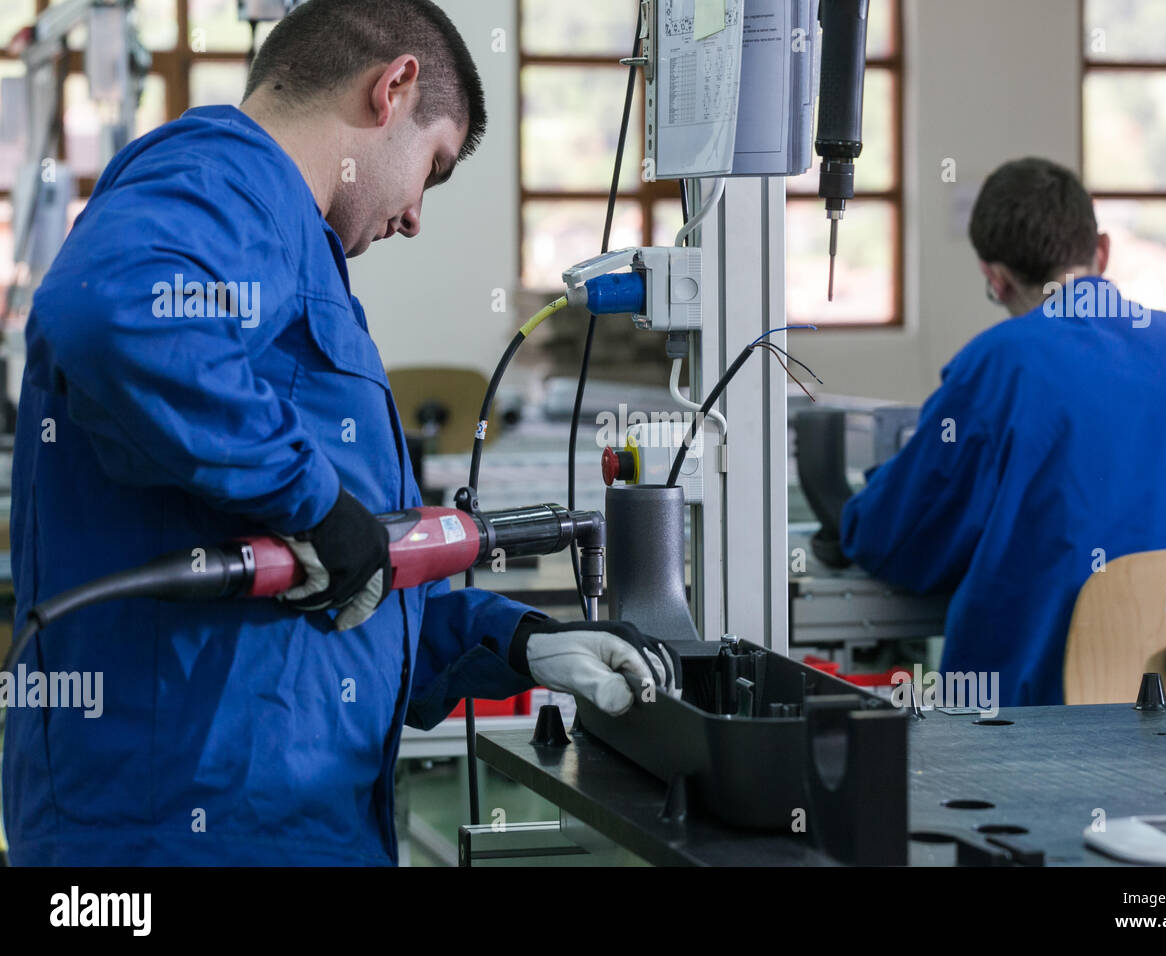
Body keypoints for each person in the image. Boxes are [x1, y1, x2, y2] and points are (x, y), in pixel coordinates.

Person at [3, 0, 674, 866]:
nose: (414, 217)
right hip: (181, 826)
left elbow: (343, 585)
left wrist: (513, 640)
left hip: (285, 816)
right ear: (393, 87)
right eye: (430, 169)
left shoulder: (287, 243)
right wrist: (316, 502)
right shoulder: (224, 176)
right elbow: (115, 313)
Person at [840, 157, 1166, 707]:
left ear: (996, 277)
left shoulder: (1000, 368)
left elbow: (897, 542)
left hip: (1041, 743)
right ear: (1101, 252)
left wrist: (856, 506)